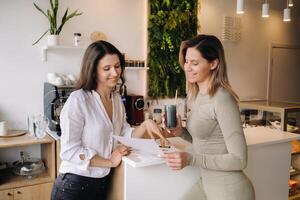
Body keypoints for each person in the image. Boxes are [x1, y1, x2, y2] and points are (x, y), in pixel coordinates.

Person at [51, 40, 165, 200]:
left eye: (117, 66)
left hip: (101, 185)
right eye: (107, 68)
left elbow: (124, 135)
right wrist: (109, 161)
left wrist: (146, 125)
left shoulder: (116, 99)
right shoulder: (79, 100)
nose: (115, 73)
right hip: (74, 187)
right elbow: (69, 151)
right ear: (93, 71)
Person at [163, 35, 255, 200]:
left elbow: (239, 160)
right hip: (207, 185)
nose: (188, 67)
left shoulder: (222, 99)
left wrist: (191, 159)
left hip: (230, 192)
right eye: (187, 61)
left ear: (213, 64)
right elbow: (207, 141)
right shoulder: (197, 95)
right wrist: (180, 132)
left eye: (195, 63)